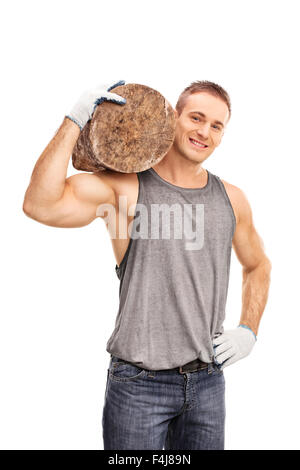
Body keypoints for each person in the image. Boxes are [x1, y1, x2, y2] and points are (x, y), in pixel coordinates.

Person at [23, 79, 271, 450]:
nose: (204, 131)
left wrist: (248, 330)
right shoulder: (124, 188)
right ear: (174, 116)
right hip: (138, 387)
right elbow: (39, 205)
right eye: (197, 118)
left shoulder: (232, 199)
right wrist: (75, 119)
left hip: (206, 386)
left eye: (216, 126)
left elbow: (258, 265)